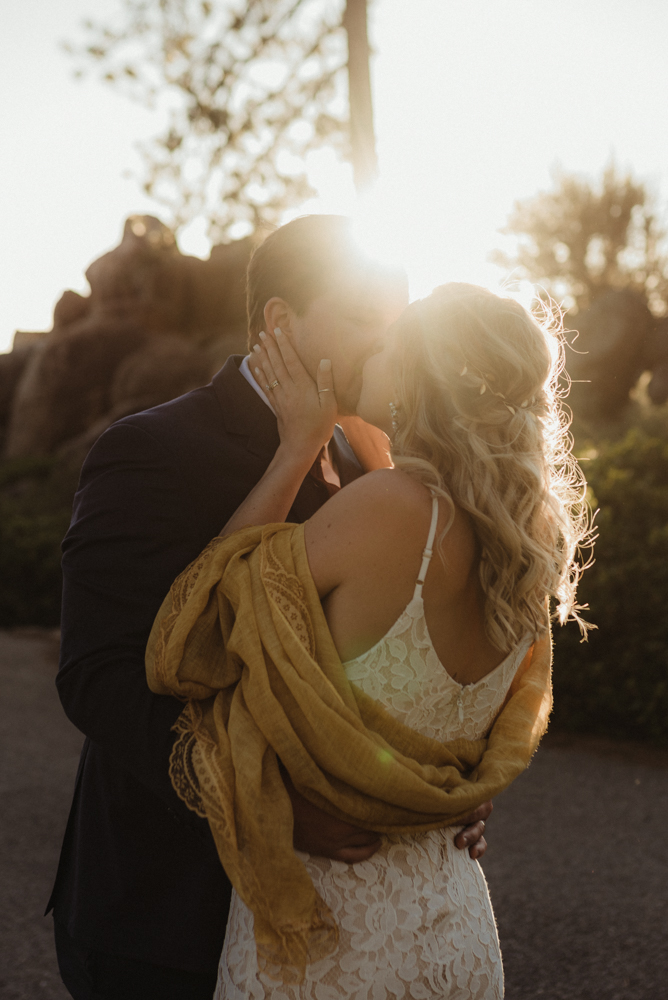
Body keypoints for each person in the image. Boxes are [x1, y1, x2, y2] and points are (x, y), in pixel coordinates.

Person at [47, 216, 491, 1000]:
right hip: (163, 915)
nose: (390, 343)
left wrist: (437, 787)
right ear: (281, 321)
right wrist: (264, 806)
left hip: (336, 931)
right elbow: (98, 676)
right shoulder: (149, 448)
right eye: (363, 319)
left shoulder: (374, 460)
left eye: (398, 321)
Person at [145, 281, 589, 999]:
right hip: (456, 921)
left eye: (389, 343)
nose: (370, 350)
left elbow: (207, 610)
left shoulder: (385, 508)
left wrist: (298, 448)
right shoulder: (529, 538)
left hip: (339, 939)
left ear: (417, 375)